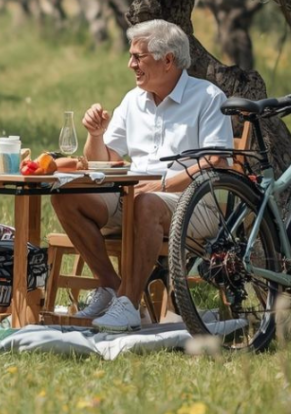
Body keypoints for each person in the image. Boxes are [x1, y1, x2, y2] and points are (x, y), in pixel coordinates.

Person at [50, 19, 233, 331]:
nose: (130, 64)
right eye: (131, 56)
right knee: (66, 195)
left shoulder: (207, 97)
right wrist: (96, 134)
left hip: (194, 204)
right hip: (135, 197)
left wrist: (162, 184)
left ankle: (129, 304)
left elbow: (216, 161)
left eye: (138, 57)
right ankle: (110, 287)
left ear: (168, 60)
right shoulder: (133, 100)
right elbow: (103, 161)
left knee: (147, 203)